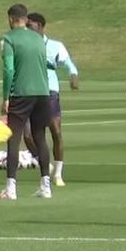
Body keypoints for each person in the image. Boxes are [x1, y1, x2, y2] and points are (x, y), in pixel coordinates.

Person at [0, 4, 52, 200]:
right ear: (26, 19)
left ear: (12, 19)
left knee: (14, 138)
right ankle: (46, 186)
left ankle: (11, 188)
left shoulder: (8, 38)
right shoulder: (38, 38)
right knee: (40, 137)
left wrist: (5, 97)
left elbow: (9, 69)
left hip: (21, 92)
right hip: (43, 92)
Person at [22, 12, 79, 186]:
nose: (27, 29)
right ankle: (45, 163)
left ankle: (58, 173)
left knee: (56, 131)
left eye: (30, 26)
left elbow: (68, 63)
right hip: (29, 91)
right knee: (27, 134)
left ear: (39, 26)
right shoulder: (23, 45)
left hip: (49, 91)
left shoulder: (55, 45)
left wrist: (73, 75)